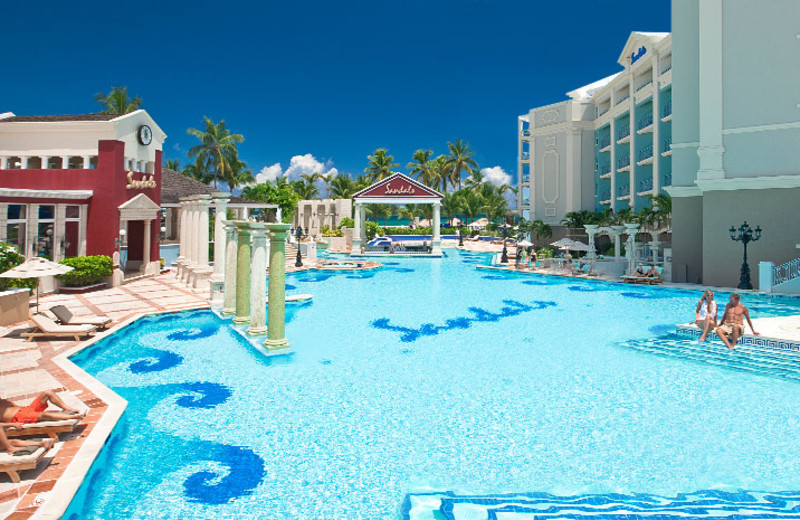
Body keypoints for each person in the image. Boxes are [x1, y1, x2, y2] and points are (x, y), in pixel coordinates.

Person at [0, 390, 84, 425]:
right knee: (44, 415)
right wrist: (12, 424)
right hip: (19, 417)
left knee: (47, 393)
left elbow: (16, 407)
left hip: (26, 409)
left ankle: (67, 408)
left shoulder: (4, 401)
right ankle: (72, 417)